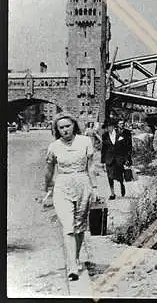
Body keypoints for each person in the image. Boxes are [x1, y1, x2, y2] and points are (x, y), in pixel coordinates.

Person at [43, 112, 98, 281]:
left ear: (74, 125)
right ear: (57, 130)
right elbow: (49, 170)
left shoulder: (85, 141)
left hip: (82, 184)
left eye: (68, 126)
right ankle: (72, 266)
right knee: (68, 226)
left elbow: (91, 167)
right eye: (61, 127)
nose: (65, 130)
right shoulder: (54, 147)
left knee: (80, 225)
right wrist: (46, 189)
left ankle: (75, 258)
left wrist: (94, 187)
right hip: (62, 185)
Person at [101, 119, 132, 199]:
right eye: (107, 127)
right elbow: (103, 149)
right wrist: (102, 161)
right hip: (109, 158)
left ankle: (122, 184)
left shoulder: (120, 135)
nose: (109, 129)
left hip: (119, 158)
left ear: (113, 127)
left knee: (119, 175)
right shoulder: (105, 136)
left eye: (110, 127)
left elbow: (125, 148)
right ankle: (112, 193)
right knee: (110, 176)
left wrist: (126, 159)